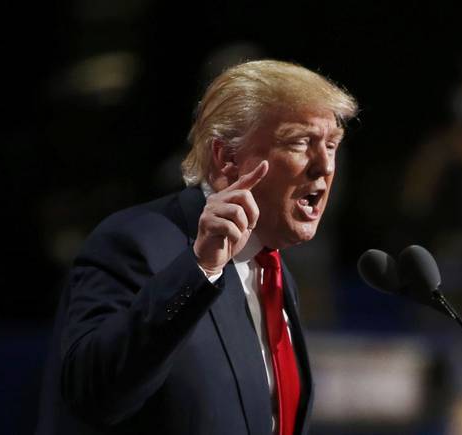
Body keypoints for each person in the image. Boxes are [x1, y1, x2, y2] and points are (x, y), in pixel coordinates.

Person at [36, 59, 358, 434]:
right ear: (227, 159)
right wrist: (198, 270)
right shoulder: (135, 243)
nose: (325, 166)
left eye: (332, 144)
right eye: (300, 142)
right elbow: (94, 395)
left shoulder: (273, 272)